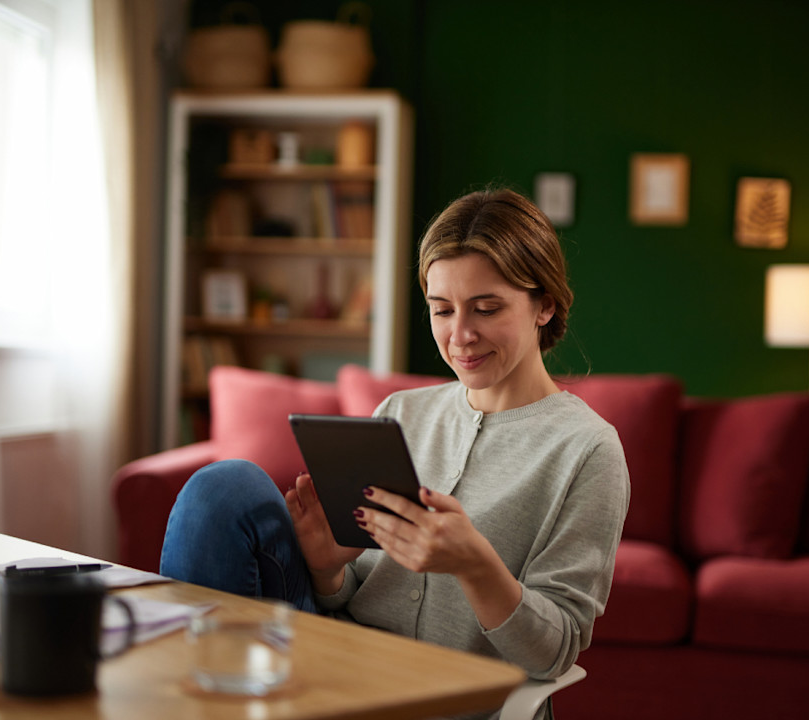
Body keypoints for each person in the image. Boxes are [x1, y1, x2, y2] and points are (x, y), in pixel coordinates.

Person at [160, 187, 630, 720]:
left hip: (449, 699)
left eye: (487, 308)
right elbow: (353, 591)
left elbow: (554, 652)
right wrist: (326, 571)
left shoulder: (588, 449)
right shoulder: (401, 413)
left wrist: (476, 567)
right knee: (225, 487)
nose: (460, 335)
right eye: (442, 310)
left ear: (544, 304)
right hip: (341, 665)